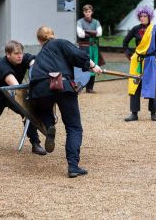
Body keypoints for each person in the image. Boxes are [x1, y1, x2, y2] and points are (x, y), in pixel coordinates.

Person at [29, 26, 102, 178]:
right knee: (73, 127)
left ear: (39, 40)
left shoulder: (41, 54)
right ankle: (73, 166)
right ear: (53, 35)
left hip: (40, 89)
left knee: (43, 109)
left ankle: (49, 126)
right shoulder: (60, 43)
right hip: (62, 85)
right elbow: (78, 55)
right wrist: (94, 66)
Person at [0, 40, 46, 155]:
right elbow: (15, 86)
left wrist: (33, 68)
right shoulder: (1, 64)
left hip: (13, 93)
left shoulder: (23, 58)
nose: (20, 56)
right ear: (8, 54)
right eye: (16, 53)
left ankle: (35, 143)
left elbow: (33, 62)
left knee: (28, 112)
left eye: (21, 53)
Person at [122, 6, 156, 122]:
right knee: (135, 85)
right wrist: (130, 55)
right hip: (137, 62)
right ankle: (134, 113)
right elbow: (125, 42)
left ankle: (153, 113)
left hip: (151, 63)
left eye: (145, 16)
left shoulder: (155, 30)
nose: (142, 18)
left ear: (149, 17)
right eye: (141, 16)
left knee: (153, 86)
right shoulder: (135, 29)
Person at [77, 4, 105, 93]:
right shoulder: (80, 22)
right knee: (83, 65)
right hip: (84, 47)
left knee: (94, 65)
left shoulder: (96, 22)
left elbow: (99, 33)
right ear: (83, 12)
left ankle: (90, 88)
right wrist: (93, 32)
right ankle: (80, 86)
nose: (87, 13)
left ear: (91, 12)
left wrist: (86, 32)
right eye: (86, 12)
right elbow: (80, 34)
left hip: (94, 48)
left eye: (89, 11)